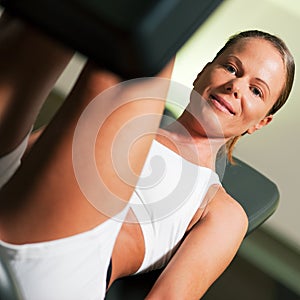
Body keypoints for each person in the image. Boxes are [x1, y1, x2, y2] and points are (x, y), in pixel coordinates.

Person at [0, 10, 295, 300]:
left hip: (59, 268)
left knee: (128, 70)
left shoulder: (221, 209)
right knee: (32, 28)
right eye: (231, 68)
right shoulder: (117, 127)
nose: (236, 86)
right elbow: (24, 160)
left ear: (261, 122)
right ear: (202, 72)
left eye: (257, 91)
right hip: (12, 199)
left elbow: (170, 297)